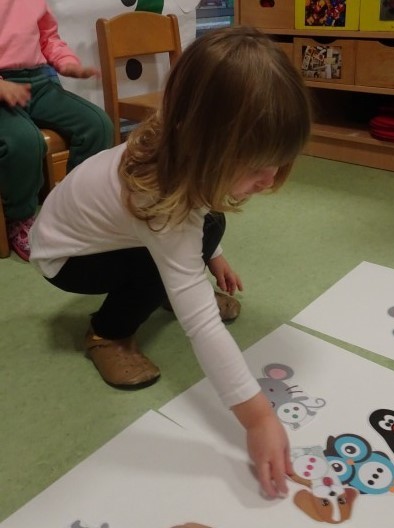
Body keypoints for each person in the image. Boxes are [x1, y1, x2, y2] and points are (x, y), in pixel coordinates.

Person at [29, 26, 311, 498]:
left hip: (110, 234)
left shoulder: (182, 148)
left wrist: (212, 257)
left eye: (278, 163)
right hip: (66, 257)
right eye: (255, 166)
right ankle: (107, 333)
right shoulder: (158, 200)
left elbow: (198, 217)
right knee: (160, 265)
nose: (269, 180)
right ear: (204, 144)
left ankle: (175, 283)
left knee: (210, 223)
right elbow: (201, 325)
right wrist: (259, 418)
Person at [0, 0, 113, 261]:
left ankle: (73, 207)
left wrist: (67, 62)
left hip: (38, 82)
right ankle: (20, 218)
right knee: (24, 141)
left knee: (97, 125)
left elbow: (48, 37)